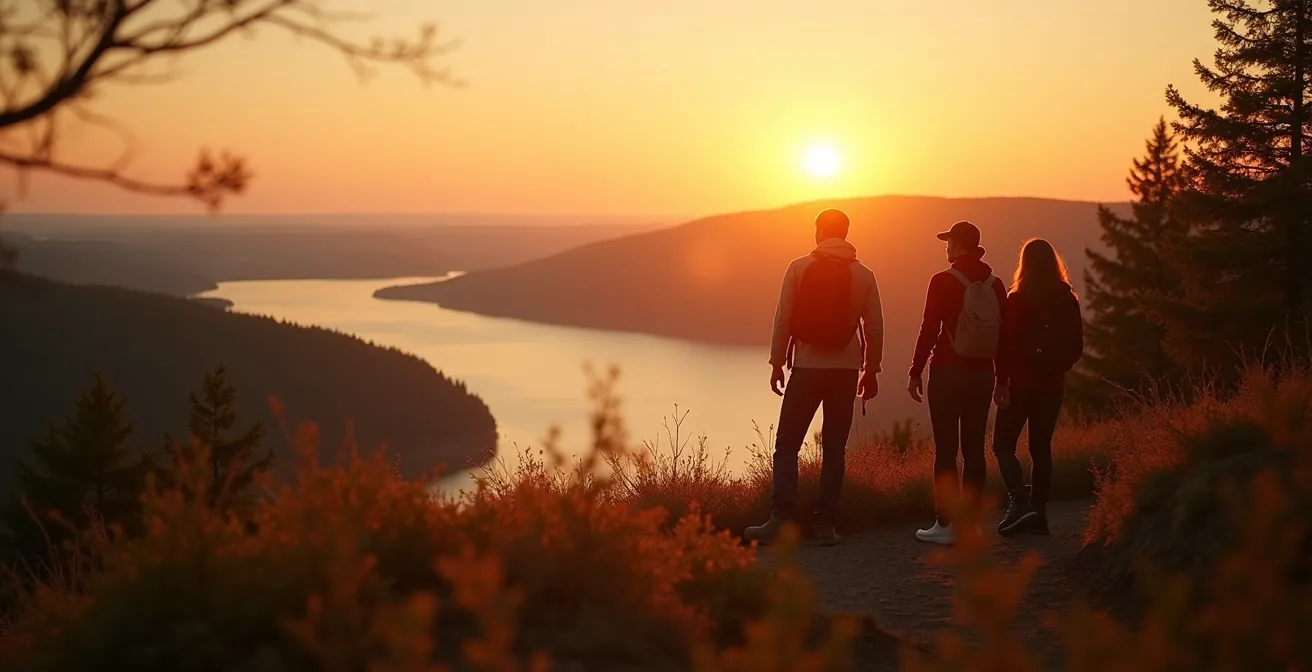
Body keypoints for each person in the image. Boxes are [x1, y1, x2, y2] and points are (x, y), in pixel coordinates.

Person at [743, 208, 884, 546]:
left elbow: (783, 320)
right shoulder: (863, 274)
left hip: (806, 368)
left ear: (818, 232)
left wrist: (777, 362)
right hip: (846, 371)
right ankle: (826, 525)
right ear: (846, 233)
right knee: (835, 450)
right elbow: (875, 326)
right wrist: (871, 370)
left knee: (787, 445)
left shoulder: (799, 267)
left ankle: (781, 521)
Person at [908, 221, 1007, 545]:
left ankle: (946, 524)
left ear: (959, 244)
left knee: (947, 451)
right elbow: (1004, 337)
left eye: (949, 241)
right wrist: (1002, 379)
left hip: (947, 373)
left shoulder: (942, 281)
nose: (946, 247)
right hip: (982, 375)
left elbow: (929, 329)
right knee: (975, 450)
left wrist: (915, 371)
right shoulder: (995, 284)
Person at [993, 238, 1084, 536]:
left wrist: (1002, 381)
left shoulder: (1017, 299)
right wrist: (1057, 366)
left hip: (1020, 383)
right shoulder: (1067, 298)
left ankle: (1020, 503)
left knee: (1003, 445)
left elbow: (1005, 345)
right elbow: (1076, 346)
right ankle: (1039, 515)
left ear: (1025, 264)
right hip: (1052, 386)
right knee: (1041, 449)